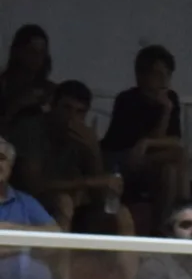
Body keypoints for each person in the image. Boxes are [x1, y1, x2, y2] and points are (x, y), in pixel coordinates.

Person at [10, 80, 134, 238]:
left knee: (122, 213)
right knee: (64, 202)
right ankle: (62, 254)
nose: (71, 117)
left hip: (76, 207)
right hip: (29, 203)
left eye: (79, 112)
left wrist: (93, 150)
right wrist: (86, 182)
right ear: (53, 105)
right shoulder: (31, 129)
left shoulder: (82, 137)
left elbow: (99, 195)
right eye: (66, 108)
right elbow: (33, 185)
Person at [100, 44, 190, 227]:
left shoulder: (170, 99)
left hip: (152, 162)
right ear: (141, 75)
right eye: (157, 74)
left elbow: (173, 140)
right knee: (178, 155)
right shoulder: (127, 100)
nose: (163, 80)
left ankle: (168, 226)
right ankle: (186, 211)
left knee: (170, 170)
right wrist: (148, 143)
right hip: (121, 161)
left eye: (167, 74)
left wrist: (149, 139)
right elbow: (134, 152)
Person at [0, 135, 59, 279]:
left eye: (2, 158)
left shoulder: (25, 201)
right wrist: (32, 241)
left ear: (10, 165)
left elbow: (56, 237)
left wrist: (11, 230)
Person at [0, 24, 53, 128]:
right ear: (17, 51)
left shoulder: (50, 91)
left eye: (42, 52)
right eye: (32, 50)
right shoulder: (2, 85)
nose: (37, 57)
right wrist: (16, 105)